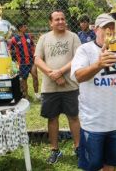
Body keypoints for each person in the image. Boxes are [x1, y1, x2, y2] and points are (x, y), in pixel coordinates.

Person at [71, 13, 116, 171]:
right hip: (93, 123)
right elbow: (78, 76)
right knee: (92, 166)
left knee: (111, 164)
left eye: (113, 28)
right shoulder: (85, 50)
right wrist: (99, 64)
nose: (110, 31)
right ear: (96, 29)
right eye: (106, 28)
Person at [34, 9, 81, 164]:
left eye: (62, 18)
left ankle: (78, 148)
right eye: (57, 19)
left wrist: (60, 72)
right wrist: (52, 74)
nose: (61, 21)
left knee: (73, 117)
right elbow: (37, 60)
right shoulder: (44, 38)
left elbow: (78, 58)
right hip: (50, 87)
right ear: (51, 22)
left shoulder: (73, 37)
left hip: (70, 86)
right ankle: (55, 150)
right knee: (52, 118)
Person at [9, 22, 39, 99]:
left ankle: (37, 94)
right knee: (24, 79)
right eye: (24, 26)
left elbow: (33, 46)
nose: (26, 28)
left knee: (35, 76)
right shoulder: (14, 39)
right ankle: (26, 95)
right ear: (20, 28)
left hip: (32, 61)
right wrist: (14, 53)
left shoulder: (29, 36)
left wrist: (35, 54)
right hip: (22, 63)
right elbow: (9, 50)